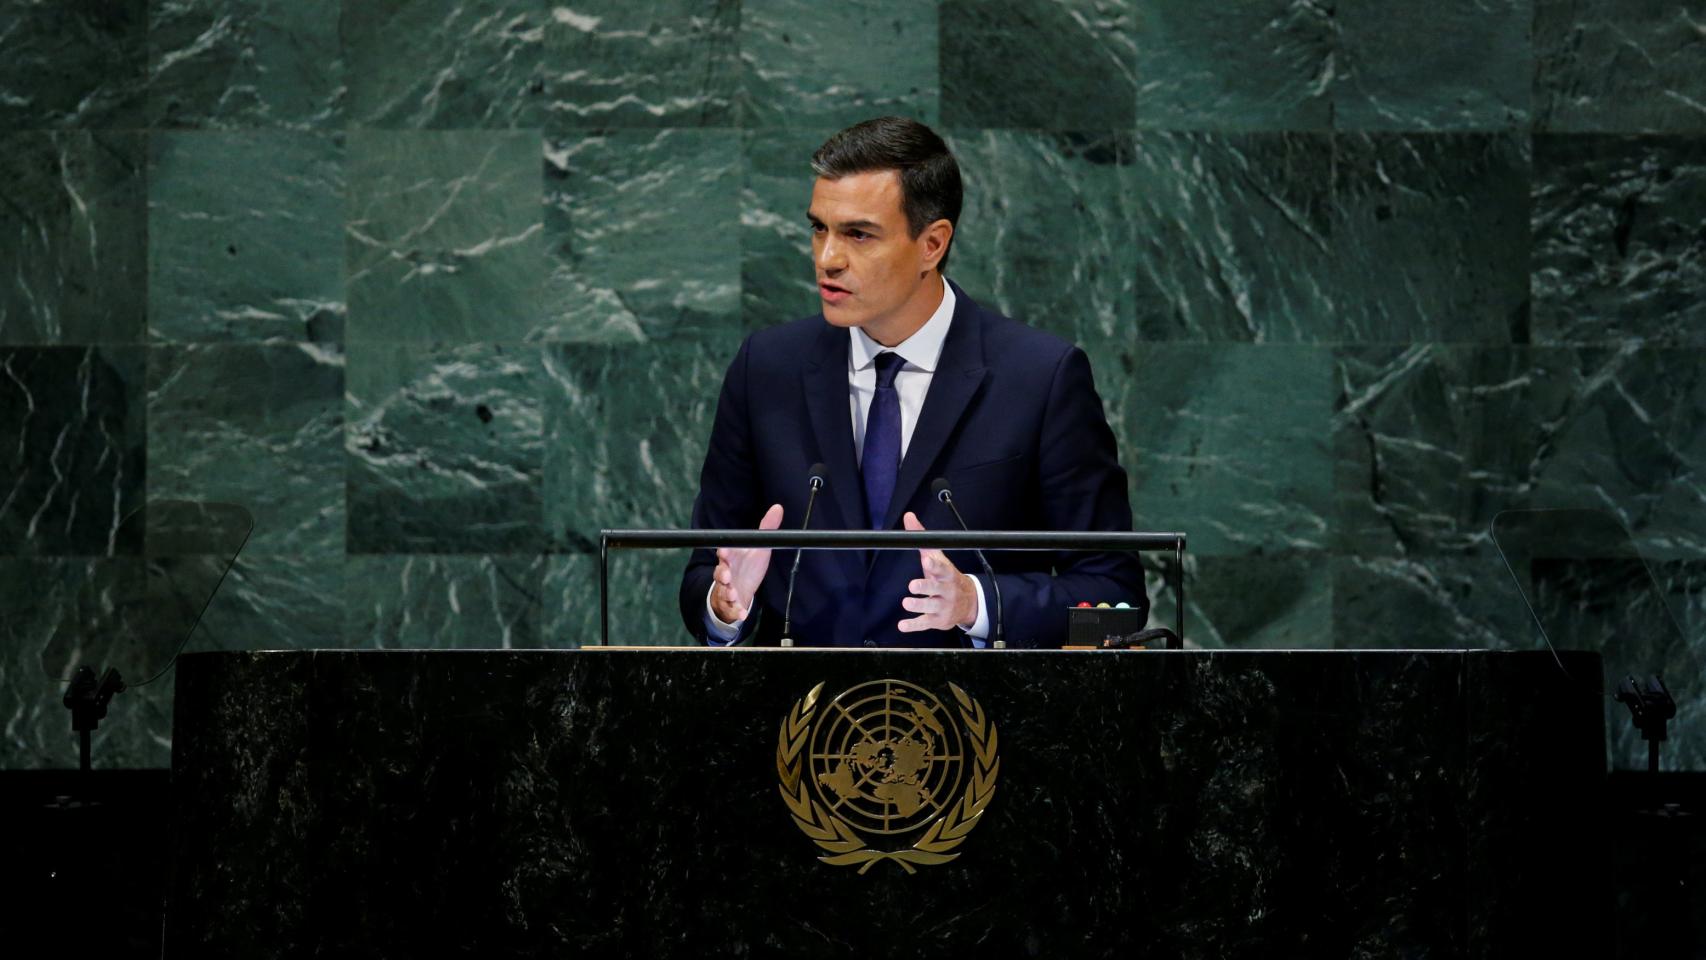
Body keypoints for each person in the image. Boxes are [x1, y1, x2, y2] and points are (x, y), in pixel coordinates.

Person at [677, 116, 1144, 648]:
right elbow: (703, 574)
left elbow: (1116, 602)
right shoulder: (766, 369)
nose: (827, 258)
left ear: (932, 244)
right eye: (819, 228)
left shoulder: (1040, 378)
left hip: (970, 721)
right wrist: (723, 607)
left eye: (858, 234)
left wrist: (977, 602)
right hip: (803, 722)